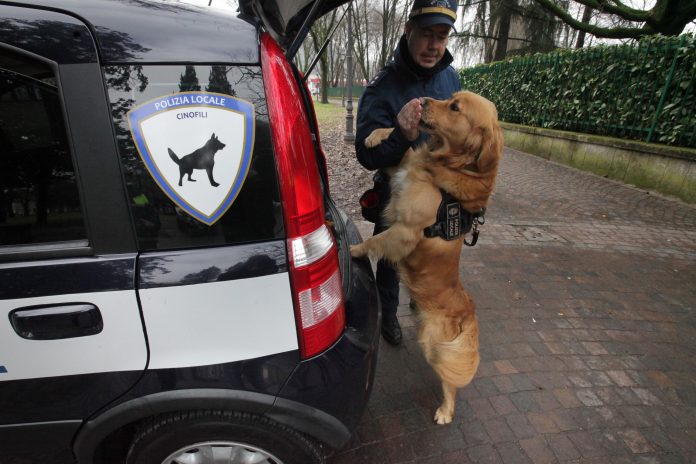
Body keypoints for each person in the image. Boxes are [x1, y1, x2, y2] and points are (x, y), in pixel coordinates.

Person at [355, 0, 461, 345]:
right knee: (391, 258)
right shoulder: (382, 87)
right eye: (427, 34)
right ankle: (389, 315)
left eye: (442, 36)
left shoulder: (451, 78)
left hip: (440, 194)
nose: (434, 45)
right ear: (407, 29)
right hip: (399, 192)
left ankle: (419, 298)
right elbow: (365, 155)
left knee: (432, 253)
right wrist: (401, 135)